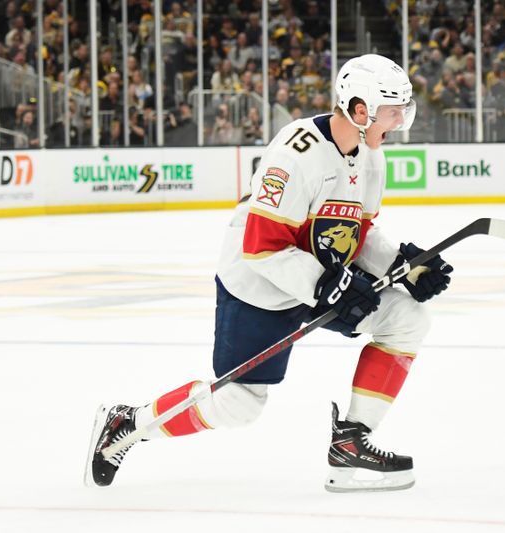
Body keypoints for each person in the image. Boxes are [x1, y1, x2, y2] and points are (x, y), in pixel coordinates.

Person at [85, 54, 453, 493]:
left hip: (317, 273)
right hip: (257, 284)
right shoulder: (297, 153)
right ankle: (130, 424)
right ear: (360, 110)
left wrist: (400, 265)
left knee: (407, 319)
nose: (400, 121)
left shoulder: (371, 155)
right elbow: (260, 246)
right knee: (239, 404)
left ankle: (351, 442)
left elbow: (358, 230)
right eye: (394, 111)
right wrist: (324, 284)